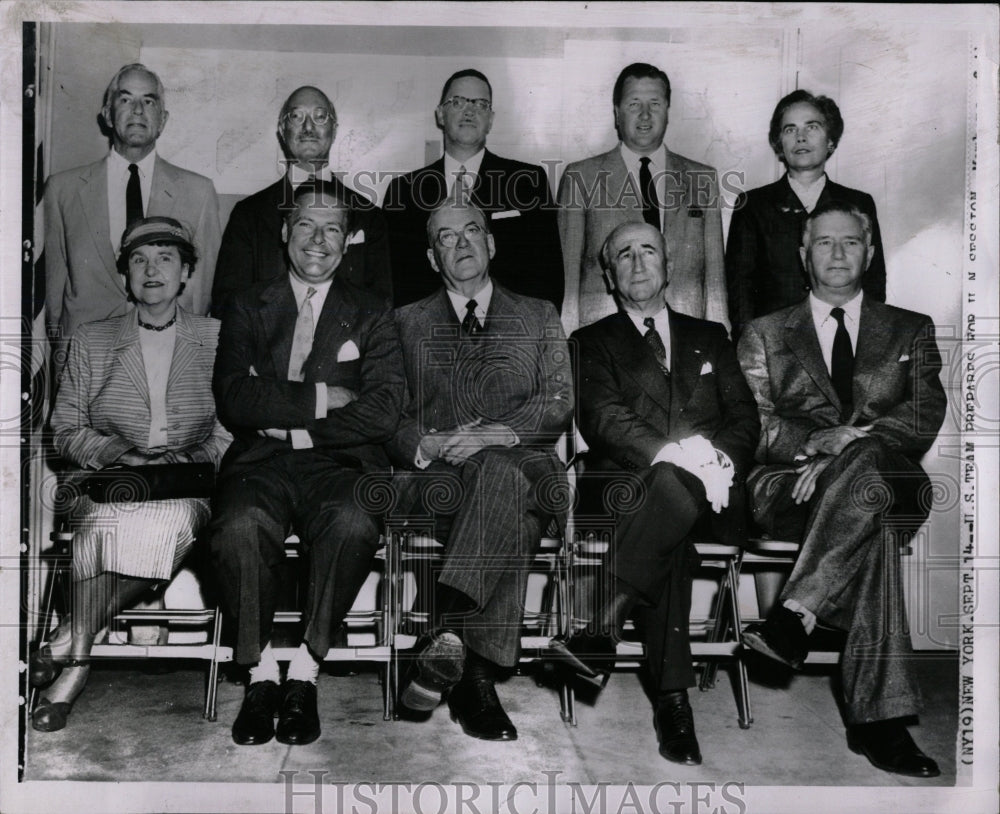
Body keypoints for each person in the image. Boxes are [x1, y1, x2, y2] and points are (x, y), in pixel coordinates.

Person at [737, 200, 945, 778]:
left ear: (869, 252)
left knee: (871, 465)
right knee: (870, 520)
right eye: (823, 242)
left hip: (893, 480)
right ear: (803, 255)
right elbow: (755, 423)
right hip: (791, 487)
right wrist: (818, 446)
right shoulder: (764, 332)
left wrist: (851, 444)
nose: (835, 252)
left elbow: (924, 414)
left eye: (849, 242)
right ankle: (881, 724)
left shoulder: (910, 328)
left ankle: (796, 610)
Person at [549, 221, 758, 765]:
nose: (638, 263)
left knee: (675, 501)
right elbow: (603, 420)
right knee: (669, 499)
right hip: (621, 491)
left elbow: (743, 419)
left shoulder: (712, 336)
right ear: (608, 273)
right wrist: (678, 455)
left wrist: (712, 460)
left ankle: (601, 626)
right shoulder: (588, 342)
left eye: (649, 252)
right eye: (624, 255)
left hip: (714, 492)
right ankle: (673, 702)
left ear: (669, 265)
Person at [209, 181, 404, 747]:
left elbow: (384, 411)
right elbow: (234, 399)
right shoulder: (248, 304)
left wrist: (285, 411)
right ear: (284, 233)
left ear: (347, 244)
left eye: (333, 229)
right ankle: (263, 673)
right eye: (306, 226)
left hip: (340, 464)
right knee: (239, 526)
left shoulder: (372, 311)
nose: (318, 240)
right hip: (260, 461)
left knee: (352, 522)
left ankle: (307, 672)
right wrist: (323, 398)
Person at [33, 217, 231, 732]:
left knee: (167, 524)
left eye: (166, 258)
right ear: (125, 276)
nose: (152, 270)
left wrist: (186, 462)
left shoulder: (217, 339)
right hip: (107, 480)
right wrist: (121, 454)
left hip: (183, 485)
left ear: (186, 272)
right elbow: (64, 428)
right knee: (100, 526)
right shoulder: (92, 340)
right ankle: (76, 665)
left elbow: (234, 427)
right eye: (139, 260)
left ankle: (66, 646)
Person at [388, 194, 572, 741]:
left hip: (528, 465)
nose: (462, 243)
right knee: (505, 494)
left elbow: (558, 400)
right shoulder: (404, 323)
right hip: (439, 481)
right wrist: (431, 442)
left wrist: (498, 433)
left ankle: (443, 629)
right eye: (447, 236)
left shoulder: (539, 314)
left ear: (491, 243)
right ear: (431, 257)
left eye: (472, 231)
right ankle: (474, 681)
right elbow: (385, 412)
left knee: (502, 474)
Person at [44, 63, 221, 344]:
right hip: (85, 356)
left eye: (148, 101)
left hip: (165, 352)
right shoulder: (62, 189)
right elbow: (53, 296)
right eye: (125, 99)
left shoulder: (198, 192)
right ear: (108, 115)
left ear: (162, 119)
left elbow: (199, 296)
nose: (138, 110)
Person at [558, 62, 727, 333]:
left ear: (668, 112)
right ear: (617, 114)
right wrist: (566, 337)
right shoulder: (580, 176)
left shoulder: (702, 178)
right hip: (604, 334)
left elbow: (715, 278)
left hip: (686, 333)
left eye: (655, 104)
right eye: (634, 104)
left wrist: (718, 334)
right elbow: (567, 274)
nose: (645, 115)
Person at [383, 68, 563, 311]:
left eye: (480, 104)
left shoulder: (527, 182)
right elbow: (392, 280)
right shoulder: (403, 191)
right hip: (427, 336)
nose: (469, 110)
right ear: (440, 115)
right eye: (457, 102)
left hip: (510, 332)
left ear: (490, 119)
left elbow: (548, 275)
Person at [212, 86, 392, 312]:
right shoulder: (249, 214)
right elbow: (227, 303)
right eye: (297, 117)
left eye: (320, 117)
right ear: (281, 129)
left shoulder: (370, 215)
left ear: (334, 130)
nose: (308, 127)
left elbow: (381, 304)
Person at [726, 89, 886, 338]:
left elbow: (874, 282)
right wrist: (751, 347)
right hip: (774, 343)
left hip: (842, 338)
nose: (801, 137)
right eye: (790, 129)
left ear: (830, 139)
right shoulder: (752, 205)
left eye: (812, 127)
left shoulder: (858, 203)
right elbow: (740, 290)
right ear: (779, 144)